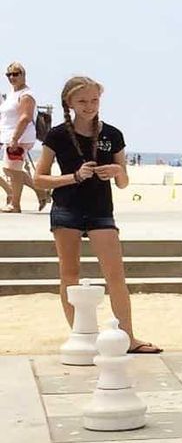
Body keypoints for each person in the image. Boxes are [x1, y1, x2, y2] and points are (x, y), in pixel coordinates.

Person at [34, 75, 162, 353]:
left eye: (94, 100)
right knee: (70, 273)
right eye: (82, 101)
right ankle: (80, 336)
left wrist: (118, 172)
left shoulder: (112, 134)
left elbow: (123, 182)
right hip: (66, 210)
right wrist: (74, 177)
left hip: (101, 212)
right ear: (69, 102)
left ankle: (128, 337)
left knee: (115, 275)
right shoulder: (56, 135)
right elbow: (39, 178)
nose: (89, 105)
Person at [1, 63, 49, 213]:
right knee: (12, 170)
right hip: (10, 136)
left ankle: (15, 204)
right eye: (9, 75)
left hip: (20, 137)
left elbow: (25, 117)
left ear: (23, 75)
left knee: (11, 170)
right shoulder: (12, 94)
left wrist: (15, 138)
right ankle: (40, 192)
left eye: (16, 73)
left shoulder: (26, 95)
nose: (12, 77)